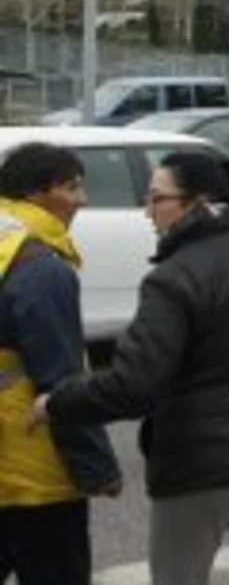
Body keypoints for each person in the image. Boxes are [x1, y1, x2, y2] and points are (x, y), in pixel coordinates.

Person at [36, 152, 229, 585]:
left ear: (198, 203)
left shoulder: (174, 279)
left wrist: (57, 402)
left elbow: (135, 383)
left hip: (199, 464)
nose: (148, 212)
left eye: (156, 198)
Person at [0, 143, 119, 585]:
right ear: (36, 194)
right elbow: (62, 379)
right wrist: (96, 468)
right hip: (35, 467)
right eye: (71, 187)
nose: (82, 200)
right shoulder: (40, 268)